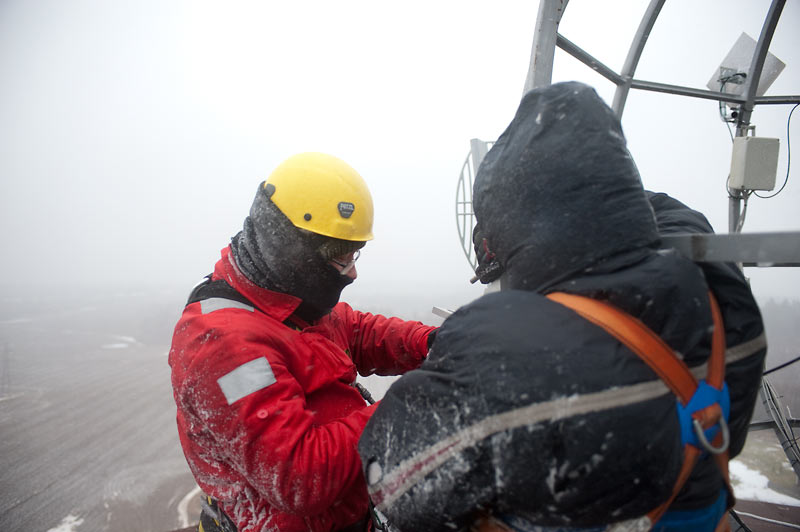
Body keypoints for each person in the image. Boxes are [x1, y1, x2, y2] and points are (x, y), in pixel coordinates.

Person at [358, 82, 766, 531]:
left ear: (519, 221)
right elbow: (665, 215)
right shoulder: (720, 293)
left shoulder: (503, 344)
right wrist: (599, 186)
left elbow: (391, 480)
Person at [168, 152, 436, 532]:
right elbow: (301, 477)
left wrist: (434, 343)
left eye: (354, 254)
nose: (353, 273)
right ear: (292, 250)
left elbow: (357, 331)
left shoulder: (289, 299)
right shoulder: (222, 344)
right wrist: (418, 402)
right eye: (341, 257)